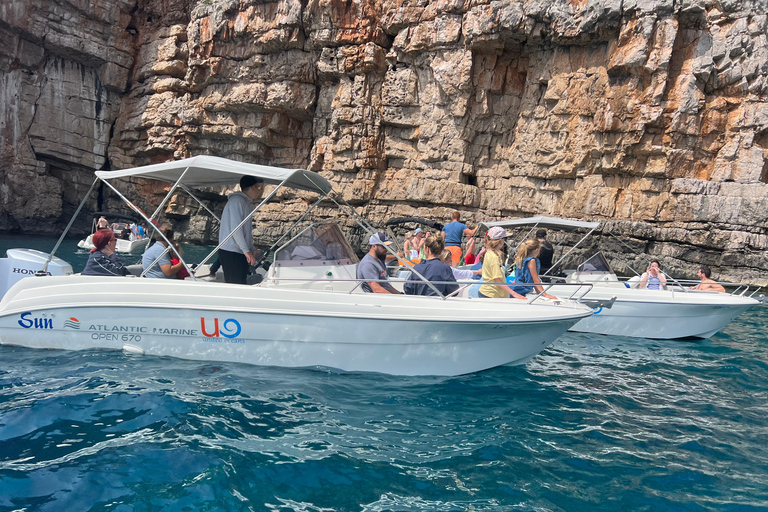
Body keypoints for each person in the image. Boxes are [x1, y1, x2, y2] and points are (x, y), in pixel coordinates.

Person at [219, 175, 264, 284]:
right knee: (236, 285)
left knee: (242, 283)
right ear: (253, 187)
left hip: (239, 251)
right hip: (231, 252)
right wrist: (246, 251)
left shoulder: (246, 203)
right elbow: (236, 229)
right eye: (259, 187)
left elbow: (245, 232)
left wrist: (251, 249)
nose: (260, 191)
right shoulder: (237, 201)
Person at [478, 227, 526, 299]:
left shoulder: (489, 254)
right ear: (501, 241)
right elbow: (497, 279)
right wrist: (514, 294)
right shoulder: (493, 257)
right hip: (491, 294)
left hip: (489, 293)